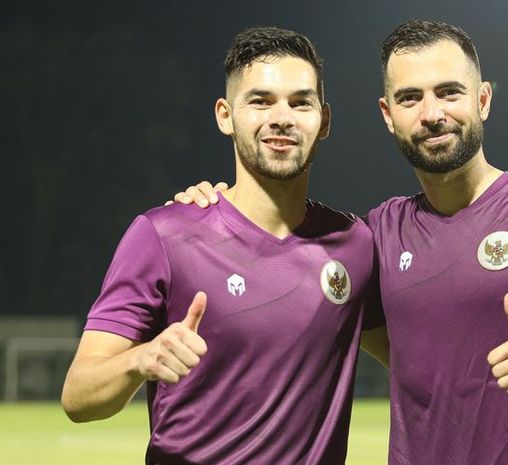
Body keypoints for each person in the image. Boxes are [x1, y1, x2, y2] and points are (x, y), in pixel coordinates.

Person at [173, 20, 508, 465]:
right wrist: (217, 208)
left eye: (449, 92)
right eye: (410, 98)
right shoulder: (376, 236)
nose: (431, 113)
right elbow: (413, 358)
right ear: (388, 115)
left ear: (483, 99)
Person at [61, 27, 386, 465]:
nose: (282, 117)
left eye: (300, 102)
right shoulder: (164, 235)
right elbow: (78, 396)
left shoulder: (356, 246)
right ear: (224, 115)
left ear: (324, 120)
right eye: (260, 101)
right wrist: (141, 359)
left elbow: (423, 365)